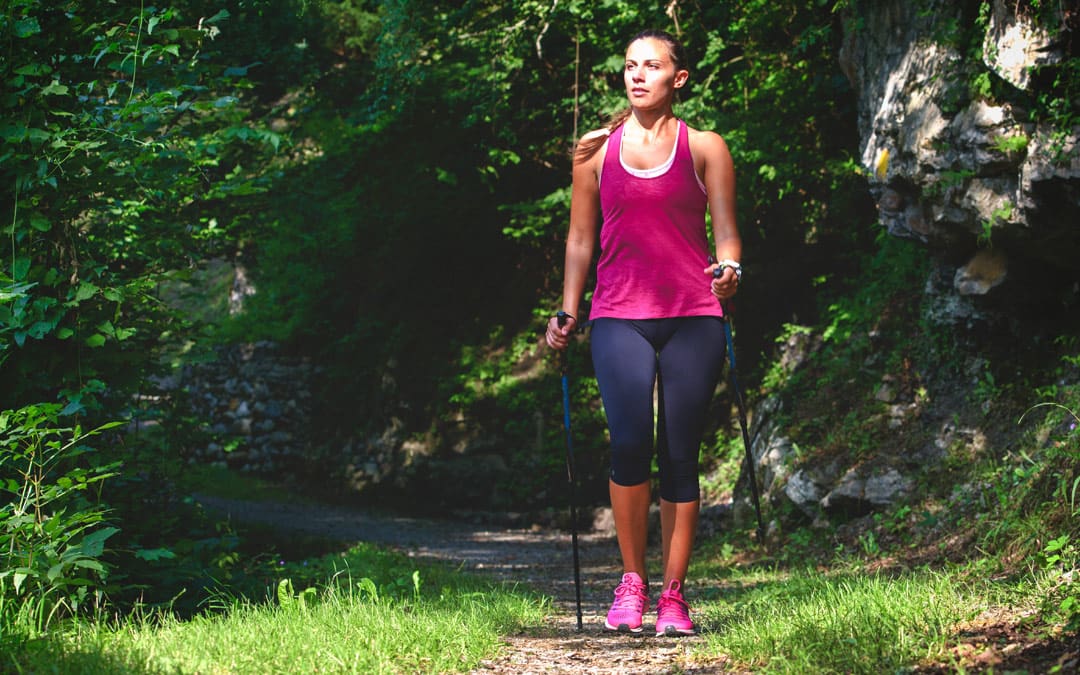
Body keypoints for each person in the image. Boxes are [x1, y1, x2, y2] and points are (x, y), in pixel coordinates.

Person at [544, 28, 741, 637]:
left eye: (651, 66)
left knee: (681, 452)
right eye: (630, 65)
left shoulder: (706, 147)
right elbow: (580, 238)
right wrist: (567, 310)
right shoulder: (595, 154)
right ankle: (632, 581)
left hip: (694, 315)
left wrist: (730, 270)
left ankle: (674, 595)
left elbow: (727, 233)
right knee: (629, 444)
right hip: (617, 315)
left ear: (677, 79)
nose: (637, 75)